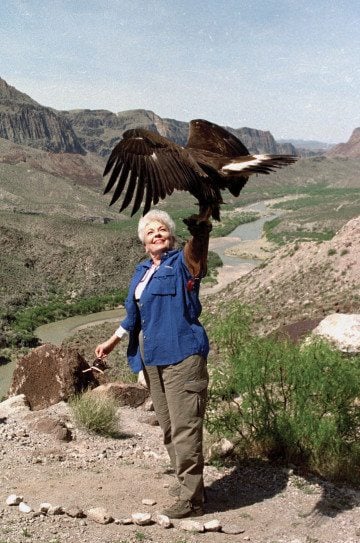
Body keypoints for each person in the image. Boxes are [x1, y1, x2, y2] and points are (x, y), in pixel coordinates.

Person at [95, 209, 211, 519]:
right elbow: (134, 316)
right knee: (169, 426)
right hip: (151, 359)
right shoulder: (142, 270)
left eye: (163, 230)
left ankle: (193, 500)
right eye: (151, 232)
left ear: (172, 237)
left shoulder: (182, 265)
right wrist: (112, 341)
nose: (157, 233)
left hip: (182, 356)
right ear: (144, 243)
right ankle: (187, 483)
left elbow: (196, 254)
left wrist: (201, 233)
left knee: (186, 427)